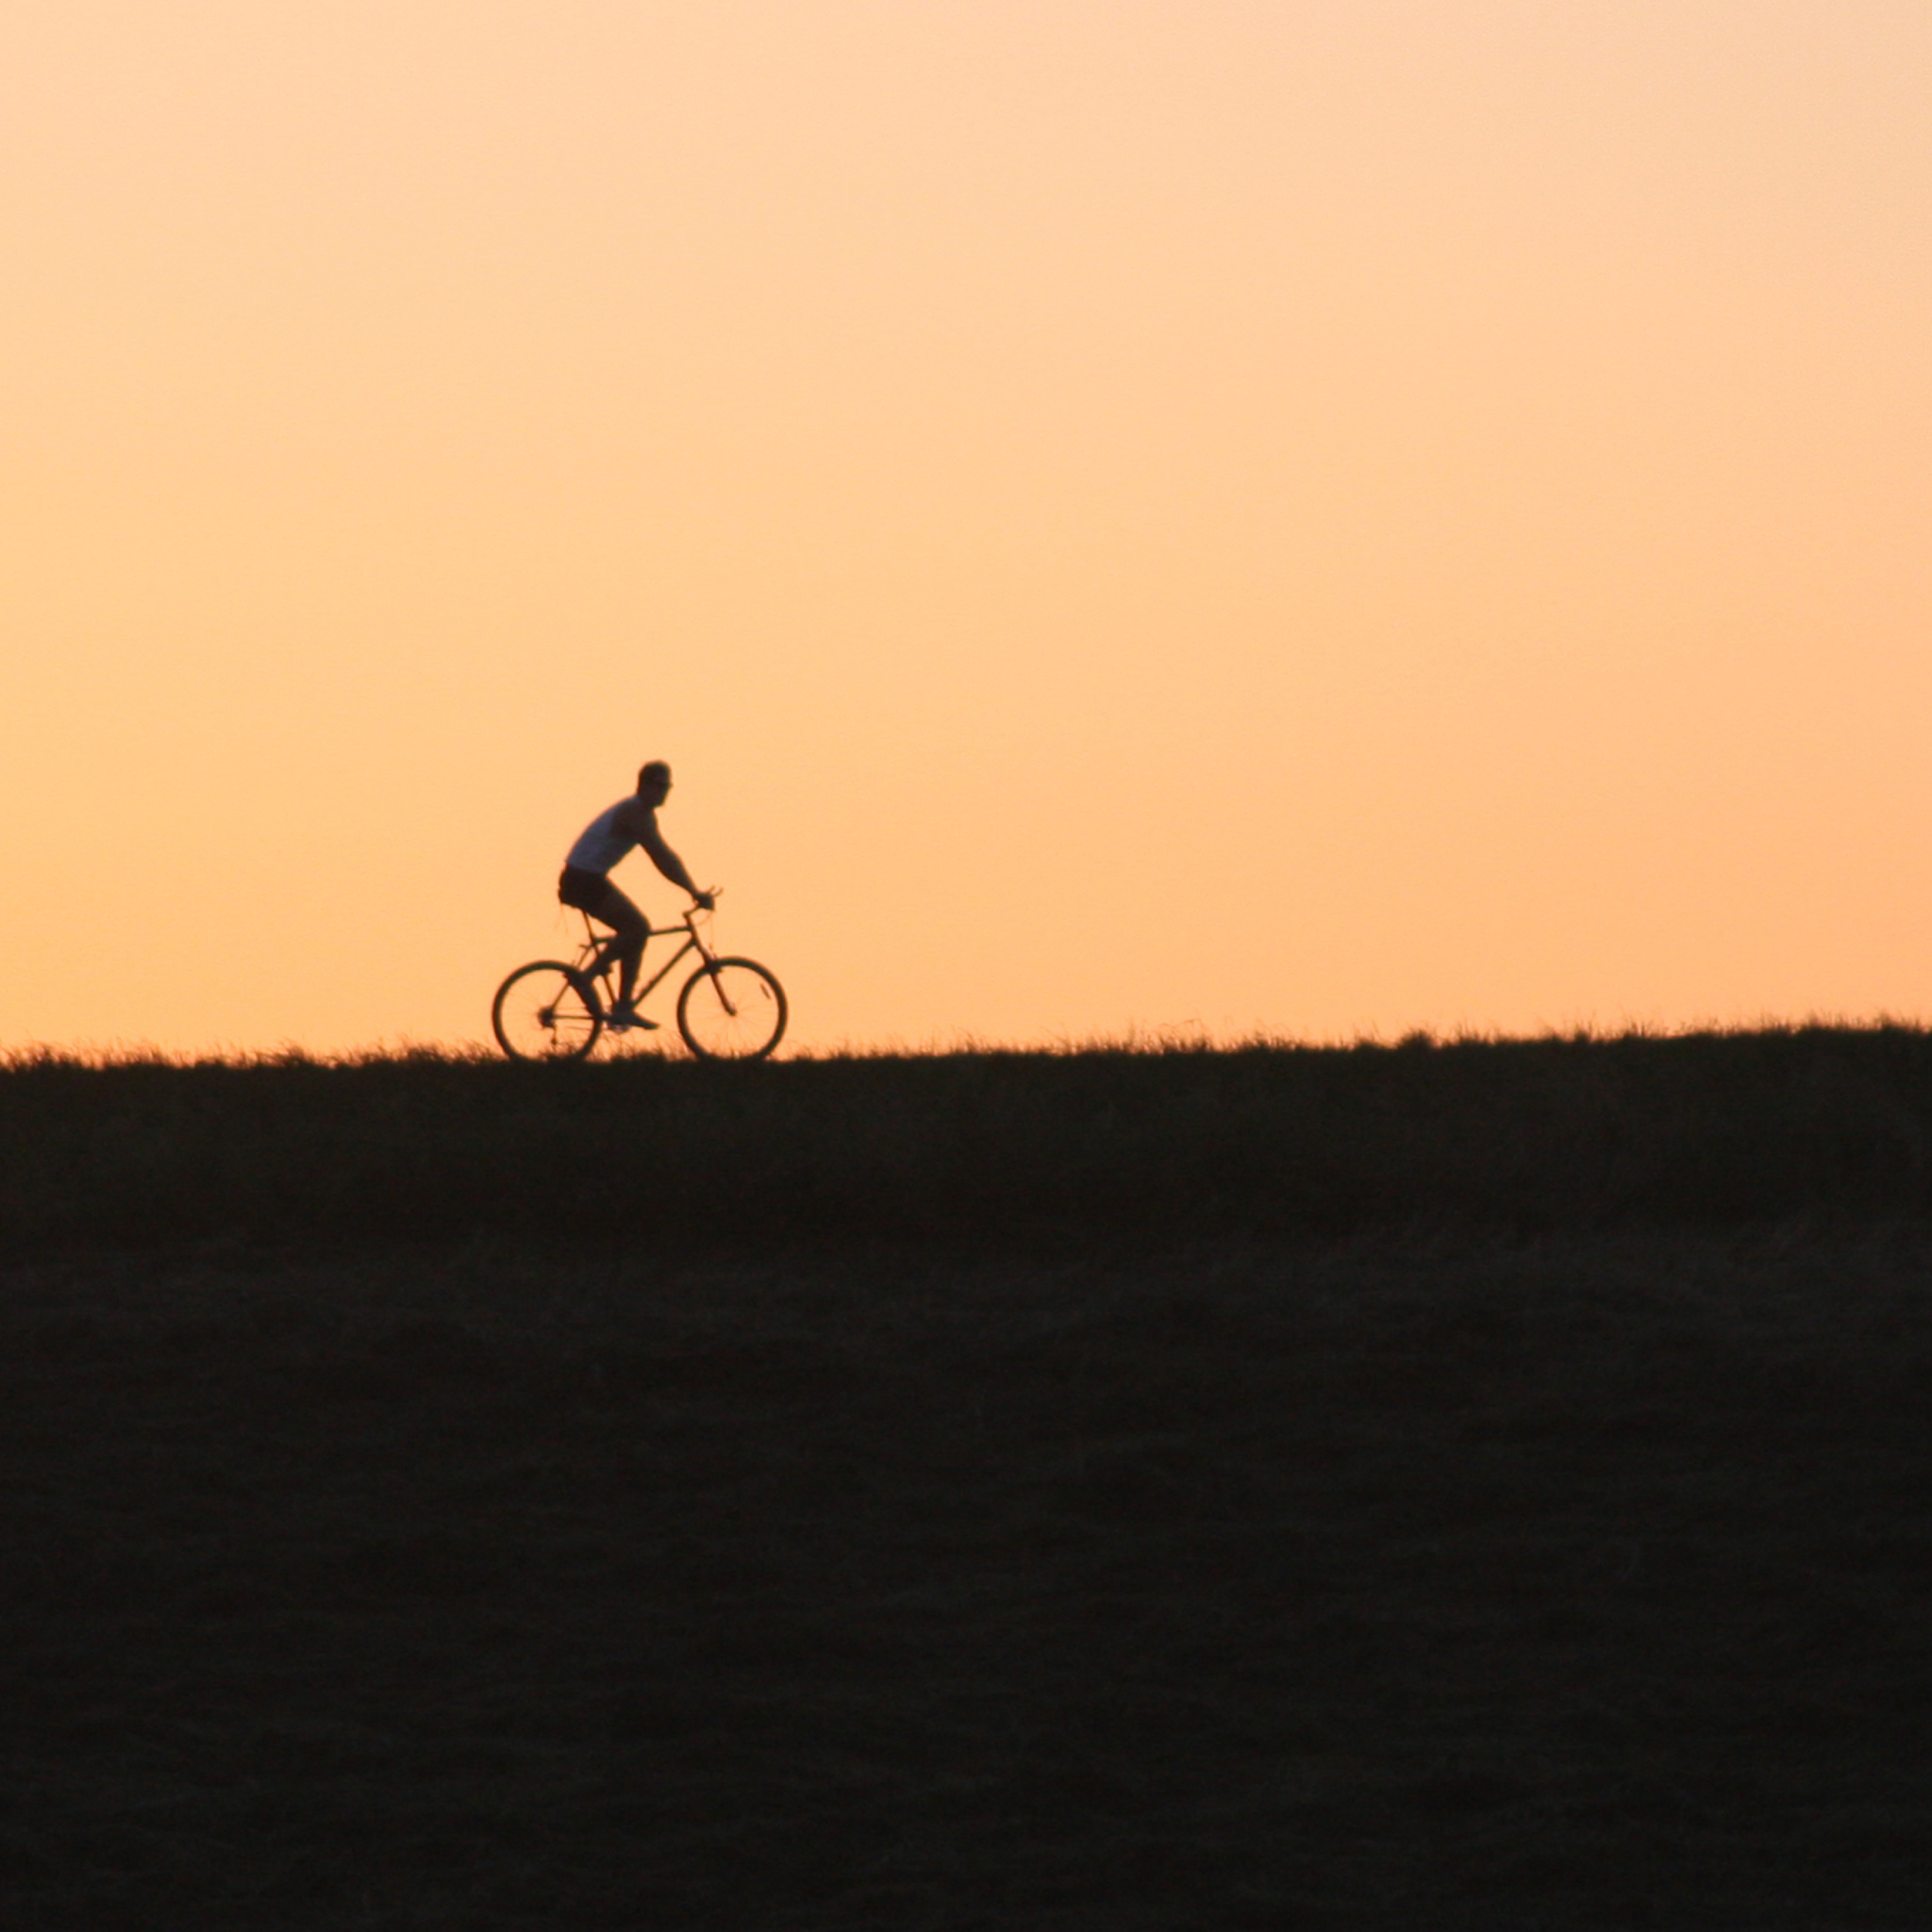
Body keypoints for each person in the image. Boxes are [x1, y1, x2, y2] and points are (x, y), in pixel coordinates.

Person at [558, 761, 714, 1029]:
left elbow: (665, 857)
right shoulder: (635, 813)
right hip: (582, 880)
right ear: (644, 785)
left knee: (636, 932)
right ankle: (589, 978)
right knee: (638, 927)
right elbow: (663, 857)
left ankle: (623, 1006)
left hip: (588, 878)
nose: (664, 792)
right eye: (660, 786)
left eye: (667, 787)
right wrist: (694, 891)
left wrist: (691, 889)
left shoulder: (643, 813)